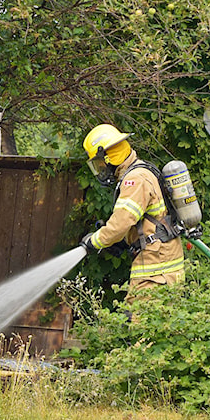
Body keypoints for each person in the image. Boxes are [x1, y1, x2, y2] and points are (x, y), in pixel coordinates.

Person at [78, 124, 184, 302]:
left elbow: (120, 223)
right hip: (161, 267)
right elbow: (144, 222)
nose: (100, 169)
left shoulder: (135, 180)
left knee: (140, 324)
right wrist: (124, 241)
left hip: (155, 271)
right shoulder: (141, 171)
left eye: (99, 163)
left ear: (109, 157)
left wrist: (94, 241)